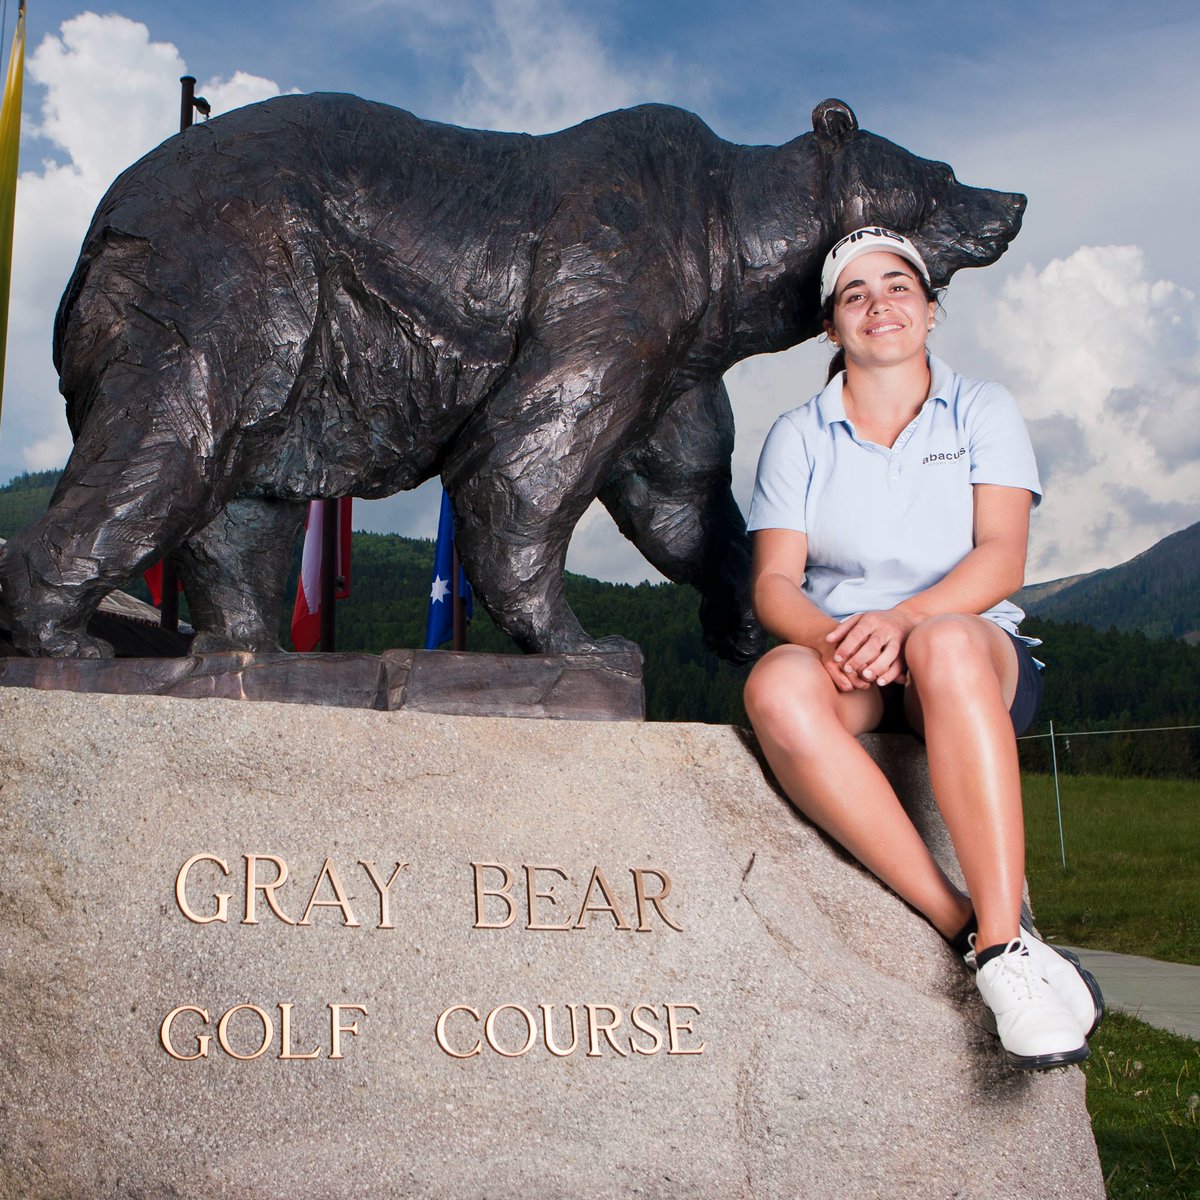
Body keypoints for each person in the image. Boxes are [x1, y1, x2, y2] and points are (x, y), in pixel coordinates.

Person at [742, 226, 1103, 1070]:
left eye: (898, 286)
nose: (880, 305)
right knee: (775, 689)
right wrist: (839, 637)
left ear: (932, 310)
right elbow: (772, 586)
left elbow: (1001, 559)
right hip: (851, 653)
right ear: (832, 329)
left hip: (970, 647)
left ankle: (1009, 940)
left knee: (942, 642)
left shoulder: (985, 408)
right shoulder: (798, 435)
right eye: (855, 294)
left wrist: (903, 622)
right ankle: (974, 935)